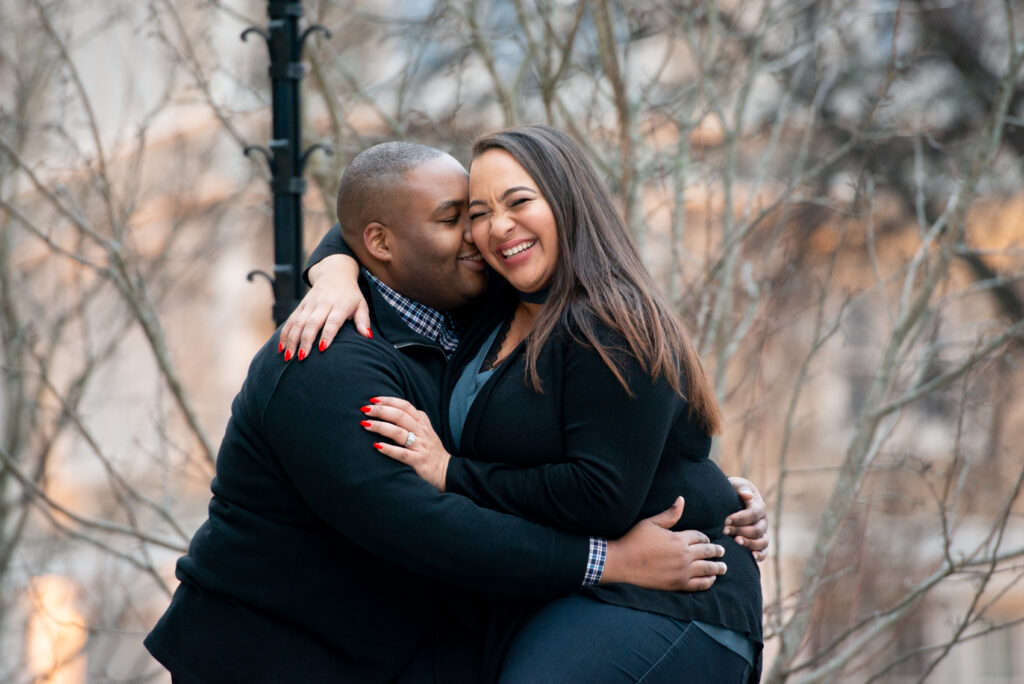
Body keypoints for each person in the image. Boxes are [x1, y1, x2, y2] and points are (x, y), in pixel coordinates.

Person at [144, 142, 767, 683]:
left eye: (487, 212)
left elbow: (621, 424)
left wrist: (708, 488)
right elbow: (425, 526)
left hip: (418, 641)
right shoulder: (327, 361)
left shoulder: (478, 299)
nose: (482, 235)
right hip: (274, 657)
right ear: (381, 245)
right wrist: (608, 560)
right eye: (462, 217)